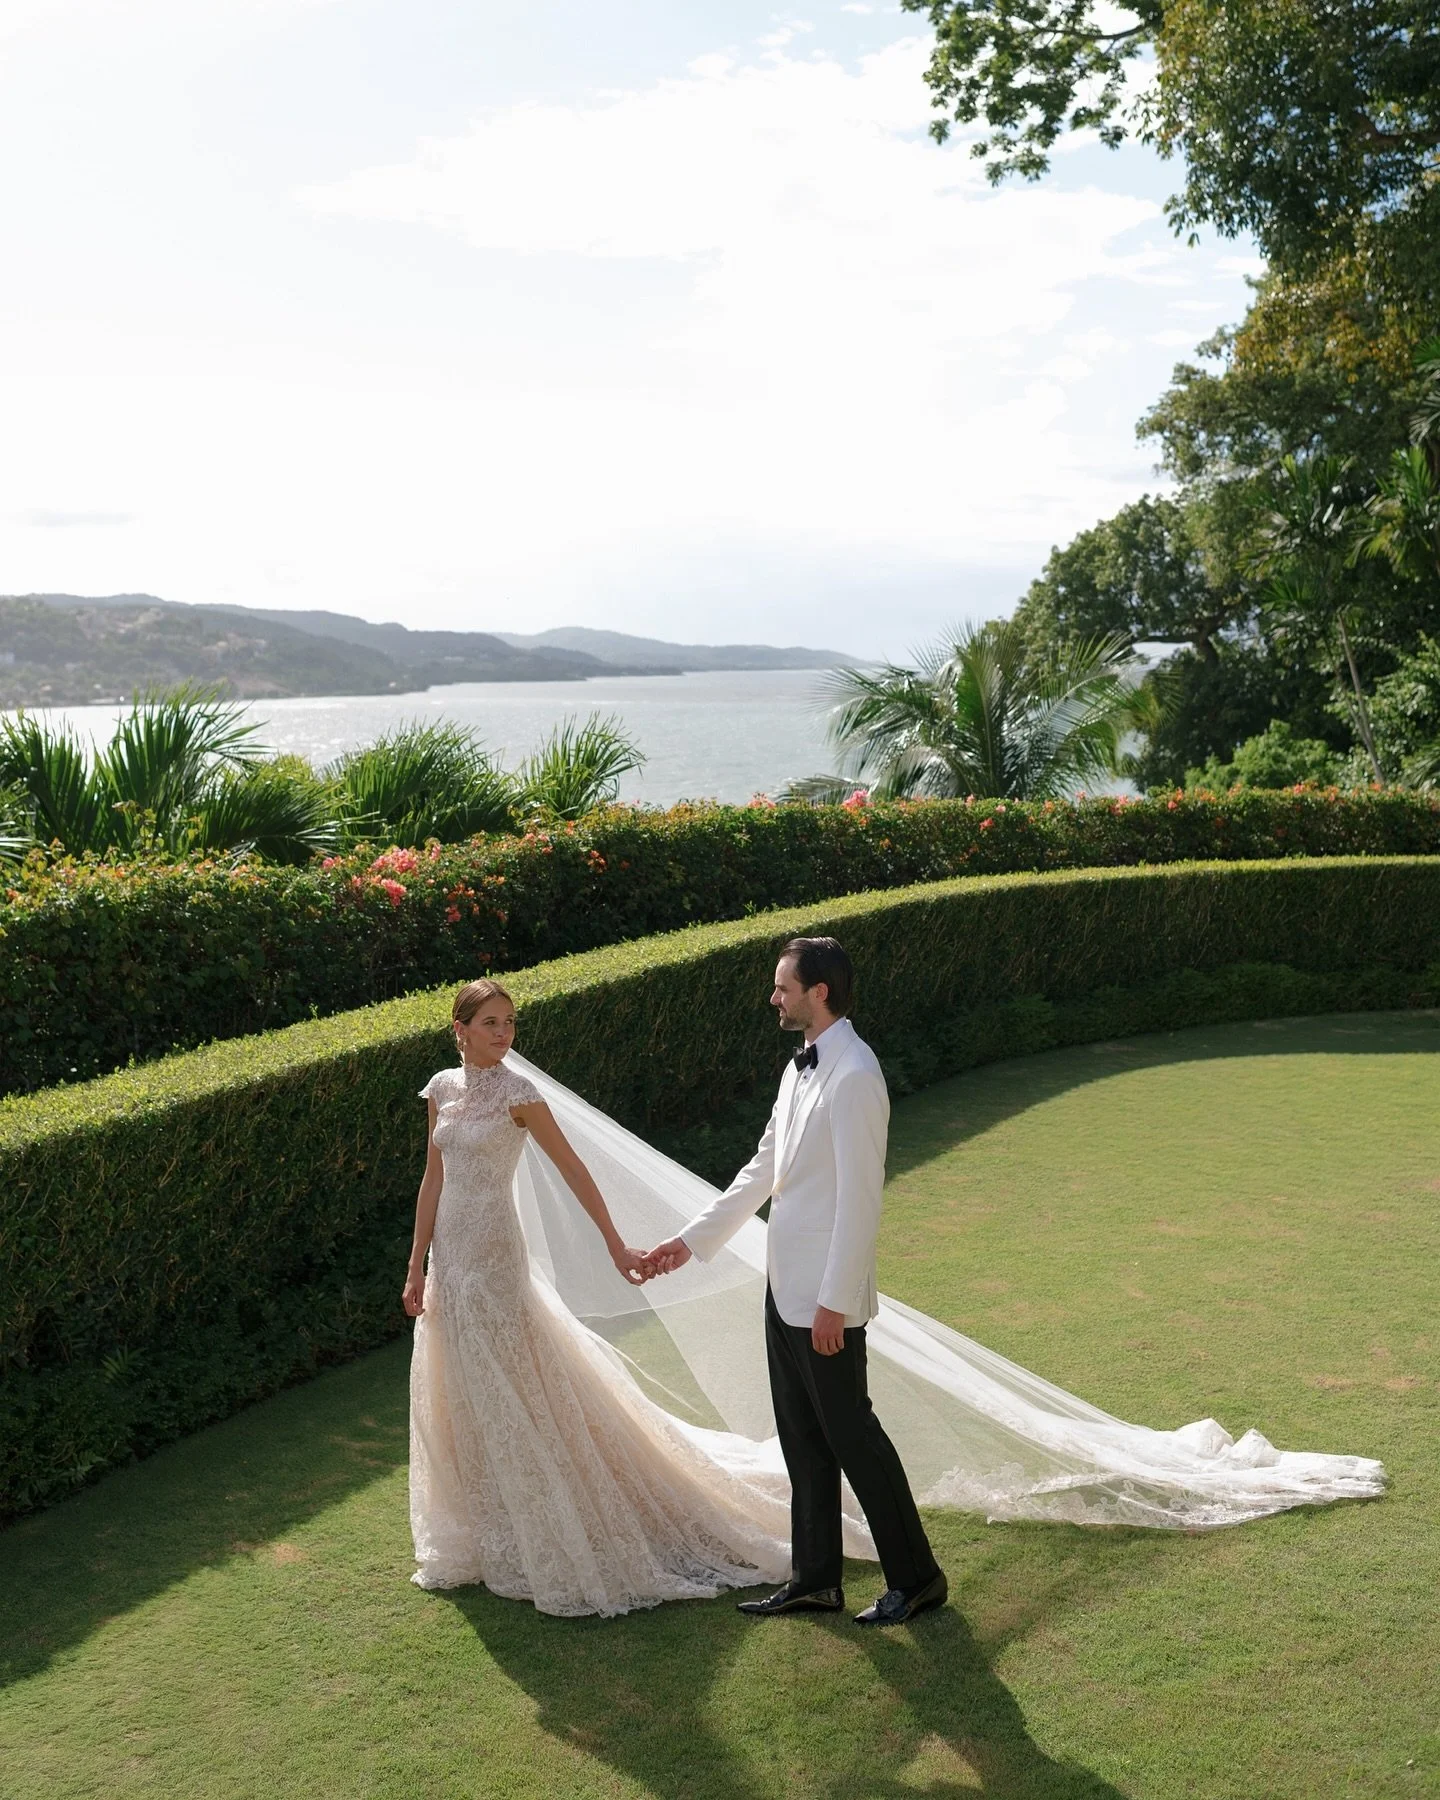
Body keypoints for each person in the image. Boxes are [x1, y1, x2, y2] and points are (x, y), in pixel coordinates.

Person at [403, 978, 803, 1616]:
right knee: (467, 1392)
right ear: (460, 1028)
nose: (503, 1034)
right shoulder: (442, 1089)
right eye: (490, 1023)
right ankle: (490, 1530)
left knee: (519, 1386)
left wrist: (617, 1245)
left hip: (499, 1260)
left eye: (509, 1022)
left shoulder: (520, 1094)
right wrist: (416, 1267)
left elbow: (574, 1170)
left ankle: (554, 1522)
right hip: (451, 1260)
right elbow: (433, 1176)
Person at [645, 937, 947, 1626]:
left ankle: (919, 1577)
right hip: (784, 1287)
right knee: (801, 1439)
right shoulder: (800, 1069)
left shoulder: (856, 1075)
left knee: (853, 1437)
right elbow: (762, 1167)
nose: (773, 997)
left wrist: (836, 1304)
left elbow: (860, 1201)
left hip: (824, 1302)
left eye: (783, 987)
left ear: (820, 993)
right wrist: (689, 1242)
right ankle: (816, 1580)